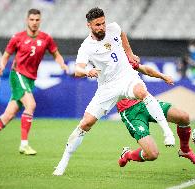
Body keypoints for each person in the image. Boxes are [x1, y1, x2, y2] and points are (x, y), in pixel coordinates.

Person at [53, 7, 174, 176]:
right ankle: (63, 161)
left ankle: (167, 132)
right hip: (107, 87)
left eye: (103, 23)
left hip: (126, 77)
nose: (102, 27)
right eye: (97, 25)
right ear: (89, 26)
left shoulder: (114, 28)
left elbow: (123, 34)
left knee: (142, 92)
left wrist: (130, 53)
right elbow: (77, 70)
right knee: (85, 123)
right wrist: (88, 71)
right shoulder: (86, 47)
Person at [0, 8, 69, 155]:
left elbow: (56, 54)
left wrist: (61, 63)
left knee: (8, 115)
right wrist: (2, 65)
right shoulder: (18, 37)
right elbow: (6, 55)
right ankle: (24, 144)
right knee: (31, 104)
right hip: (18, 75)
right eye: (32, 19)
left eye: (37, 20)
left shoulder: (46, 38)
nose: (34, 22)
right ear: (27, 20)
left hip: (29, 79)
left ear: (40, 21)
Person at [117, 62, 195, 166]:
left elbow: (144, 69)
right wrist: (91, 70)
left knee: (183, 117)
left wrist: (163, 76)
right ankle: (128, 155)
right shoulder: (106, 64)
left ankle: (185, 150)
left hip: (146, 102)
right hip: (130, 112)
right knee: (152, 154)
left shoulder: (123, 58)